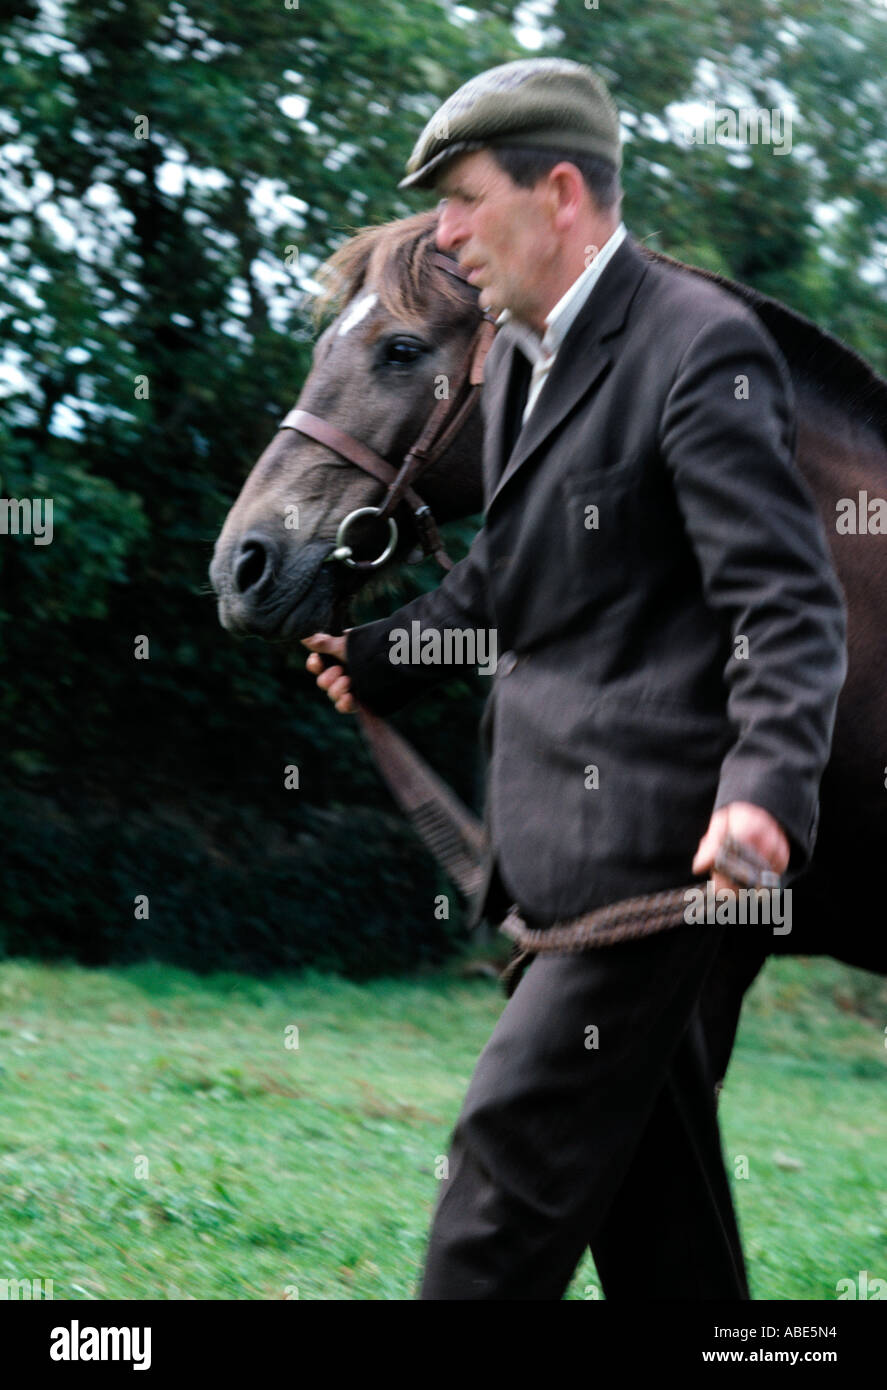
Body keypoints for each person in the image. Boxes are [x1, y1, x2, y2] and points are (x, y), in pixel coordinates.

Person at [302, 58, 848, 1300]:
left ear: (557, 193)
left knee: (492, 1208)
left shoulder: (700, 349)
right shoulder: (520, 363)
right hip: (545, 861)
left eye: (459, 199)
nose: (440, 233)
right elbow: (510, 586)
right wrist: (380, 656)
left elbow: (786, 601)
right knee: (667, 1243)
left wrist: (761, 788)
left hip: (643, 866)